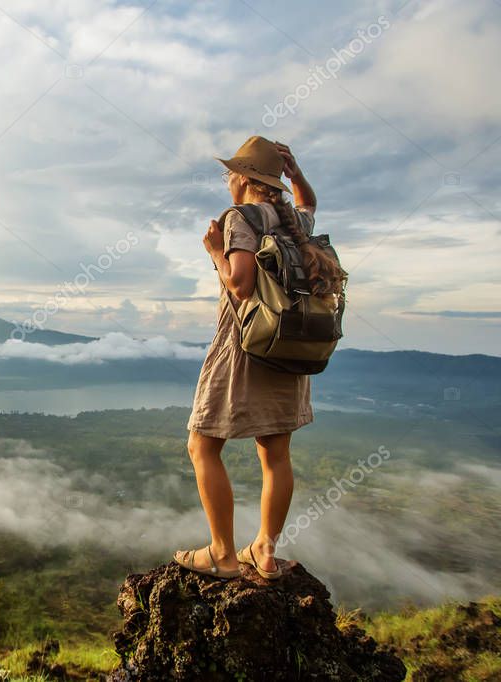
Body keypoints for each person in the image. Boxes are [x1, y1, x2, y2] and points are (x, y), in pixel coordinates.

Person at [172, 135, 345, 580]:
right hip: (292, 347)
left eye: (232, 171)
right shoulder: (294, 222)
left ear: (246, 178)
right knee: (275, 453)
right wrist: (297, 173)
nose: (228, 178)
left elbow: (242, 284)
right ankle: (264, 553)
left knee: (202, 444)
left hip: (246, 346)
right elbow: (309, 202)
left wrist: (214, 250)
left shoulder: (240, 218)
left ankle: (223, 554)